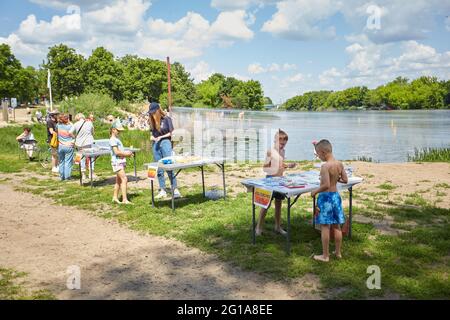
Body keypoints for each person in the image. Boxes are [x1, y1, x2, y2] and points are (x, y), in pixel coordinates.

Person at [310, 139, 348, 262]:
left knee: (325, 226)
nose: (318, 157)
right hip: (336, 197)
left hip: (326, 198)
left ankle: (325, 256)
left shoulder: (325, 166)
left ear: (323, 152)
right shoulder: (339, 164)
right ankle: (338, 252)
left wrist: (315, 191)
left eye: (318, 154)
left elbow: (325, 185)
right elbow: (345, 180)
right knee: (336, 225)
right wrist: (335, 180)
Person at [255, 129, 296, 236]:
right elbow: (265, 168)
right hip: (270, 181)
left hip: (280, 181)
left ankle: (278, 227)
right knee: (265, 205)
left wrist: (287, 166)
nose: (282, 145)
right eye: (280, 142)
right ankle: (258, 228)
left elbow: (280, 166)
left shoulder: (282, 151)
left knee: (279, 203)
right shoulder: (270, 151)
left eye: (284, 143)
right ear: (275, 140)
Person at [148, 102, 181, 199]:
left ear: (158, 111)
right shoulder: (151, 120)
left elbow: (171, 133)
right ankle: (162, 189)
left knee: (169, 165)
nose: (152, 114)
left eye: (153, 112)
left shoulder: (167, 119)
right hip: (155, 144)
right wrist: (152, 138)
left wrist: (161, 137)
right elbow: (151, 134)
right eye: (150, 113)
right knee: (159, 167)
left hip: (165, 142)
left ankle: (175, 189)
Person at [110, 119, 133, 204]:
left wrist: (127, 153)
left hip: (120, 161)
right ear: (113, 130)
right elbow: (116, 152)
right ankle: (124, 200)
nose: (119, 132)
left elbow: (120, 150)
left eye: (120, 130)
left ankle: (115, 197)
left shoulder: (116, 139)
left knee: (118, 180)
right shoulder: (113, 140)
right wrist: (127, 154)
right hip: (117, 162)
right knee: (124, 179)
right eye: (118, 130)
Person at [73, 113, 96, 180]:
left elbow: (70, 132)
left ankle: (83, 174)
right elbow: (92, 132)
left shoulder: (75, 124)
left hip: (79, 143)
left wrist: (75, 137)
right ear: (83, 117)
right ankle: (91, 173)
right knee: (91, 157)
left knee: (81, 158)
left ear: (77, 118)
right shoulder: (89, 123)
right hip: (89, 142)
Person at [56, 113, 76, 181]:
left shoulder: (58, 125)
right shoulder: (70, 126)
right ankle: (67, 177)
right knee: (68, 162)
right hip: (69, 146)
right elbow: (73, 128)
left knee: (61, 161)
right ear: (67, 119)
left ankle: (62, 176)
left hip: (60, 146)